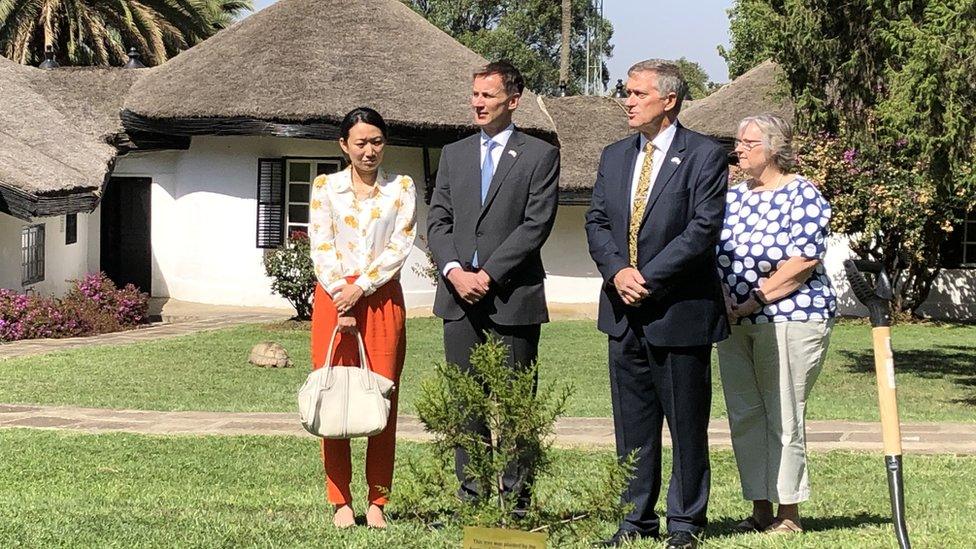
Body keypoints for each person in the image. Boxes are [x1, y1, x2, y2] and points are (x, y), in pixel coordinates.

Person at [584, 60, 729, 549]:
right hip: (623, 313)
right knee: (633, 426)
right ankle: (634, 521)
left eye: (637, 92)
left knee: (687, 425)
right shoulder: (614, 155)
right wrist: (617, 272)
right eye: (626, 92)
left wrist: (647, 277)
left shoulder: (705, 155)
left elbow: (702, 230)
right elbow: (597, 222)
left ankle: (685, 524)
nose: (627, 100)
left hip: (679, 311)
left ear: (668, 100)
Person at [426, 60, 559, 512]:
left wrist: (488, 274)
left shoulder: (540, 155)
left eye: (488, 96)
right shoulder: (454, 153)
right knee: (466, 405)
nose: (478, 103)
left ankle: (518, 504)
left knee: (517, 406)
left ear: (513, 101)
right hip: (458, 300)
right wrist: (454, 272)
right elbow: (438, 220)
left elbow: (535, 225)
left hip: (512, 299)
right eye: (475, 94)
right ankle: (473, 501)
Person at [716, 113, 837, 535]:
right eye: (738, 142)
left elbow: (804, 260)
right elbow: (713, 250)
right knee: (745, 413)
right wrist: (728, 298)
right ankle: (760, 508)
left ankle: (789, 514)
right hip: (734, 319)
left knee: (783, 413)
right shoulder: (732, 196)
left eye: (749, 143)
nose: (739, 150)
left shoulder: (801, 193)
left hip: (790, 316)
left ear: (774, 148)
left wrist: (757, 299)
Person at [308, 107, 416, 529]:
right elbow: (320, 243)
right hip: (333, 298)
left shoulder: (401, 187)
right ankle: (340, 501)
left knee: (381, 398)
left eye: (376, 142)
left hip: (381, 298)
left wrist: (362, 288)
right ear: (343, 145)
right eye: (360, 143)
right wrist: (342, 295)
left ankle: (378, 500)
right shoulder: (324, 187)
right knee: (333, 394)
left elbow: (400, 245)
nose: (369, 151)